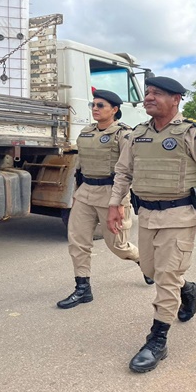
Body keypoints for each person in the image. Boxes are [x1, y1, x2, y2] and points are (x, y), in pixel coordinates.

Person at [107, 76, 196, 373]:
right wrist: (113, 205)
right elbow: (123, 172)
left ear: (176, 99)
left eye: (157, 93)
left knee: (165, 276)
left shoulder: (194, 133)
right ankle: (189, 290)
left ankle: (157, 341)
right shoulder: (137, 134)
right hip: (147, 215)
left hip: (180, 215)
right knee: (150, 270)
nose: (148, 97)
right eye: (147, 92)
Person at [57, 89, 153, 310]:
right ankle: (83, 289)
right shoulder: (86, 132)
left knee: (118, 246)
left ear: (115, 110)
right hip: (85, 193)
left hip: (112, 195)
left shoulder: (124, 134)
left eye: (101, 105)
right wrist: (76, 191)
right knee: (78, 241)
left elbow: (129, 169)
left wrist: (119, 203)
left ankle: (145, 263)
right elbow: (80, 165)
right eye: (93, 105)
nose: (95, 109)